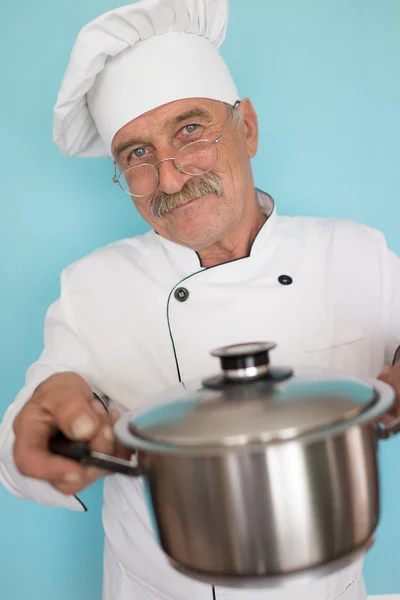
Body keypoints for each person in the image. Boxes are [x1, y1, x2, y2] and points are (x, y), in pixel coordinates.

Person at [1, 0, 400, 599]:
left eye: (190, 131)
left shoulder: (356, 253)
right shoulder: (93, 285)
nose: (168, 177)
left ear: (248, 128)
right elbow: (21, 442)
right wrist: (33, 434)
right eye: (136, 154)